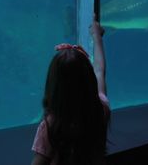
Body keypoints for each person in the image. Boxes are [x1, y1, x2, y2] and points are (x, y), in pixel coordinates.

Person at [31, 14, 110, 165]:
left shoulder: (50, 125)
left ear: (53, 86)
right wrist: (97, 37)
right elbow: (100, 71)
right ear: (89, 80)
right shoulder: (101, 109)